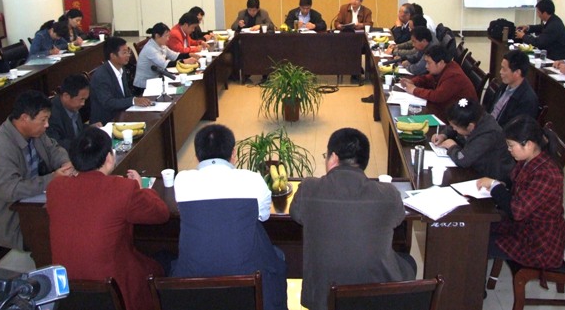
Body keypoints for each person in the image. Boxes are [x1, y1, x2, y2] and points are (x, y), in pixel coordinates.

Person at [290, 128, 416, 310]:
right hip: (375, 297)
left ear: (333, 157)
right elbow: (398, 219)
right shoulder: (388, 194)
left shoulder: (309, 188)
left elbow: (296, 214)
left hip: (323, 299)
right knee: (408, 262)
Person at [47, 127, 170, 310]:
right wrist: (141, 188)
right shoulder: (123, 189)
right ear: (109, 158)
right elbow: (161, 213)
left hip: (66, 288)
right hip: (112, 287)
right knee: (160, 264)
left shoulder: (55, 187)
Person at [173, 124, 287, 310]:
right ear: (233, 153)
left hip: (193, 286)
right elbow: (264, 216)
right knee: (277, 256)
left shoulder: (181, 181)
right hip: (247, 284)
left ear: (196, 155)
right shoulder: (252, 179)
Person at [0, 90, 73, 250]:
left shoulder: (35, 131)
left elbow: (54, 150)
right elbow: (10, 190)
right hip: (7, 218)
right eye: (43, 120)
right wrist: (51, 179)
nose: (47, 125)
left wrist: (66, 163)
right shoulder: (1, 147)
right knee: (60, 236)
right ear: (24, 118)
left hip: (31, 202)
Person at [477, 115, 565, 269]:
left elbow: (516, 211)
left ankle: (473, 282)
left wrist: (494, 186)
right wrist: (502, 185)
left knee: (478, 242)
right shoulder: (529, 159)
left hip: (538, 243)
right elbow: (515, 183)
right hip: (523, 228)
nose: (509, 150)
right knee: (478, 228)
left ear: (529, 144)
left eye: (511, 146)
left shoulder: (547, 174)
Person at [432, 98, 514, 181]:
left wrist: (452, 147)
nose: (453, 129)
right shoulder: (475, 116)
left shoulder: (487, 134)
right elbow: (454, 124)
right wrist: (443, 135)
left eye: (455, 128)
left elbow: (463, 159)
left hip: (490, 177)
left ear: (470, 126)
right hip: (475, 166)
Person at [399, 44, 477, 120]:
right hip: (447, 109)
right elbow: (427, 79)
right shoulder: (444, 67)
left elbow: (437, 96)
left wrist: (414, 90)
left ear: (440, 63)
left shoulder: (453, 75)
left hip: (460, 118)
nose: (426, 66)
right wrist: (412, 81)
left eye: (429, 63)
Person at [89, 37, 151, 125]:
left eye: (128, 51)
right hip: (105, 122)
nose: (128, 55)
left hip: (121, 114)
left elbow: (126, 94)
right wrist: (133, 101)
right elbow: (108, 102)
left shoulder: (121, 69)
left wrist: (138, 100)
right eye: (124, 52)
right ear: (113, 56)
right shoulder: (101, 76)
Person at [134, 22, 197, 93]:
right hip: (144, 85)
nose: (168, 39)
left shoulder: (161, 45)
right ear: (157, 36)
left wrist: (190, 54)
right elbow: (165, 64)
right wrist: (184, 61)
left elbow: (174, 56)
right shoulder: (150, 49)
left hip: (156, 79)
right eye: (166, 36)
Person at [487, 50, 539, 126]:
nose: (500, 72)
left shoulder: (527, 101)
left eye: (504, 69)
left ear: (517, 72)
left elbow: (515, 130)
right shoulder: (505, 85)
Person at [47, 74, 96, 150]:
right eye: (81, 99)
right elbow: (57, 144)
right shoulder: (51, 115)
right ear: (66, 96)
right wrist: (82, 144)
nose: (83, 103)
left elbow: (76, 129)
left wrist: (91, 128)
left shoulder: (72, 106)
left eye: (85, 99)